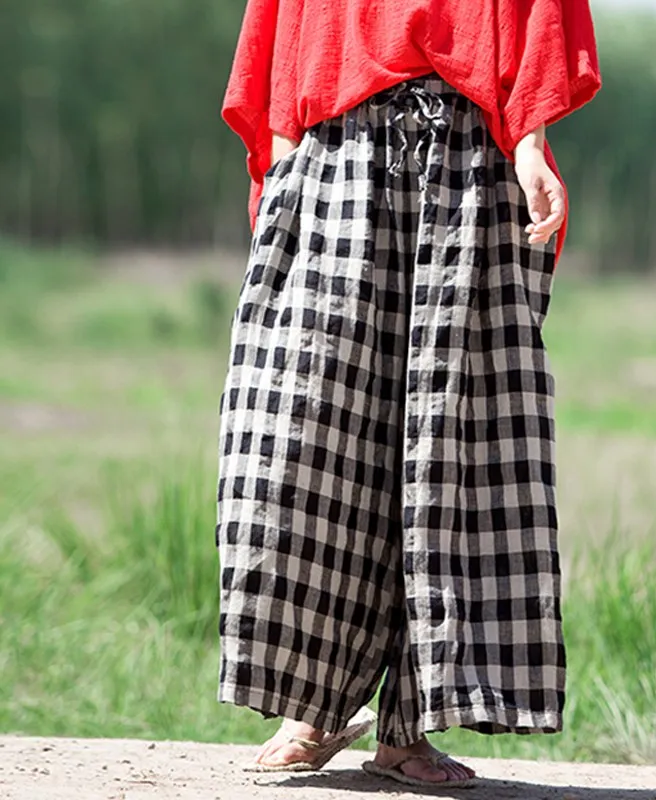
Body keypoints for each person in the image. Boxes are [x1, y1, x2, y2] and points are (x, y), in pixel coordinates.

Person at [216, 0, 601, 788]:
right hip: (334, 153)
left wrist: (530, 141)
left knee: (450, 442)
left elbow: (538, 15)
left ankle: (409, 728)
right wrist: (281, 162)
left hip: (468, 156)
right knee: (305, 435)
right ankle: (314, 705)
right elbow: (284, 27)